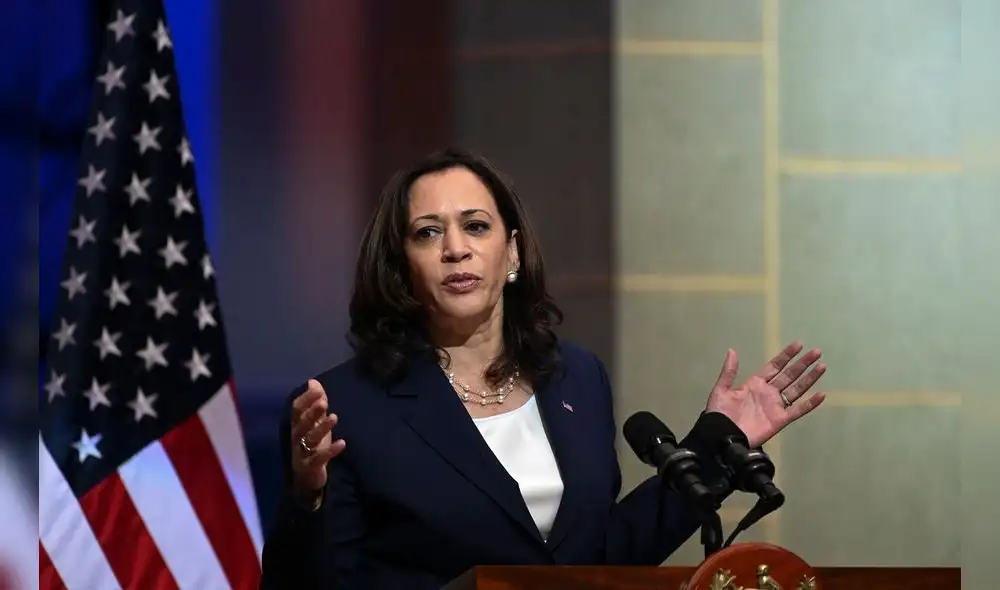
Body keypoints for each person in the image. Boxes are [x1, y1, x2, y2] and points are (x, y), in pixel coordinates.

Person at [259, 148, 827, 589]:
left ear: (511, 253)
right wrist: (309, 497)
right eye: (428, 233)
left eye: (476, 226)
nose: (455, 248)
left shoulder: (575, 378)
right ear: (402, 267)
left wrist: (715, 446)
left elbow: (601, 560)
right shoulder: (348, 404)